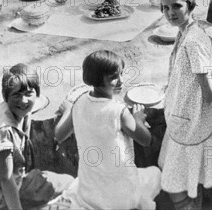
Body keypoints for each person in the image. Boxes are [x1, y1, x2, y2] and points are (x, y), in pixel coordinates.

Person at [54, 50, 161, 209]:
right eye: (113, 78)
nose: (121, 81)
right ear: (96, 79)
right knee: (155, 174)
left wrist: (69, 110)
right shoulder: (119, 111)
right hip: (122, 195)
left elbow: (59, 135)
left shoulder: (79, 102)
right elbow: (145, 140)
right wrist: (138, 119)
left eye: (121, 74)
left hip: (88, 194)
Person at [158, 0, 212, 209]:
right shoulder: (187, 33)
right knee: (190, 180)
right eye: (165, 8)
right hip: (183, 116)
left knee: (174, 184)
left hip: (191, 122)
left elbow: (208, 91)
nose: (170, 13)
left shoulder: (193, 40)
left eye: (176, 6)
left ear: (190, 5)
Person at [0, 64, 73, 210]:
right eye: (16, 95)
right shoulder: (3, 134)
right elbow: (7, 179)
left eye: (29, 93)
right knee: (69, 184)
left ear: (37, 94)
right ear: (6, 97)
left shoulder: (4, 108)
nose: (23, 101)